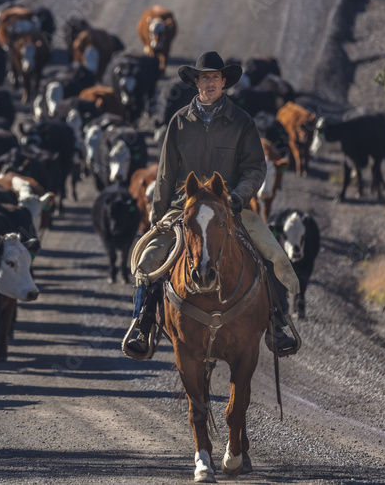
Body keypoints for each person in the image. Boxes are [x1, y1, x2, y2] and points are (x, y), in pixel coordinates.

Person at [122, 51, 301, 361]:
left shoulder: (242, 122)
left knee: (272, 254)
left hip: (231, 206)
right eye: (204, 78)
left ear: (223, 83)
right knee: (148, 260)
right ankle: (143, 322)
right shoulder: (179, 122)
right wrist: (157, 215)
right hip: (184, 207)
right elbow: (165, 172)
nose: (210, 83)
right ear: (196, 83)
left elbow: (255, 169)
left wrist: (238, 196)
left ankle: (277, 322)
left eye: (215, 78)